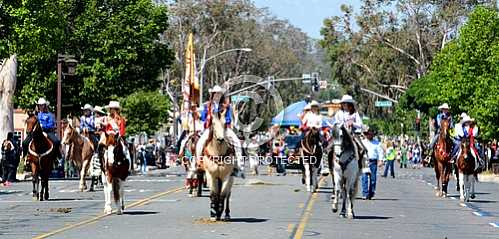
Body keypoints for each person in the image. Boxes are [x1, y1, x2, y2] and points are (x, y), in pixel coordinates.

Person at [196, 85, 244, 178]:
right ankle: (198, 162)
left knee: (237, 143)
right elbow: (203, 117)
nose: (217, 95)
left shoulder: (226, 106)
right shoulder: (208, 105)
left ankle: (239, 167)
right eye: (215, 93)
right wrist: (197, 114)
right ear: (212, 94)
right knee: (200, 143)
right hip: (211, 129)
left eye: (219, 93)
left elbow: (229, 118)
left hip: (224, 129)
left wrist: (225, 121)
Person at [102, 101, 131, 168]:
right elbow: (106, 129)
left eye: (112, 109)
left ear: (116, 110)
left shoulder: (121, 119)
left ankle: (128, 165)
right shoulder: (108, 119)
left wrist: (120, 135)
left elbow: (122, 129)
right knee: (102, 147)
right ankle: (102, 164)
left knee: (124, 149)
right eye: (110, 109)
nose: (110, 110)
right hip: (109, 136)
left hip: (118, 136)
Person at [361, 128, 383, 200]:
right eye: (368, 134)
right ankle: (365, 193)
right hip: (365, 161)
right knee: (364, 178)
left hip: (373, 161)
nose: (369, 136)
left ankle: (371, 193)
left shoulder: (377, 143)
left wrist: (380, 160)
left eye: (371, 134)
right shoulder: (363, 142)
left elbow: (380, 152)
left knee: (373, 178)